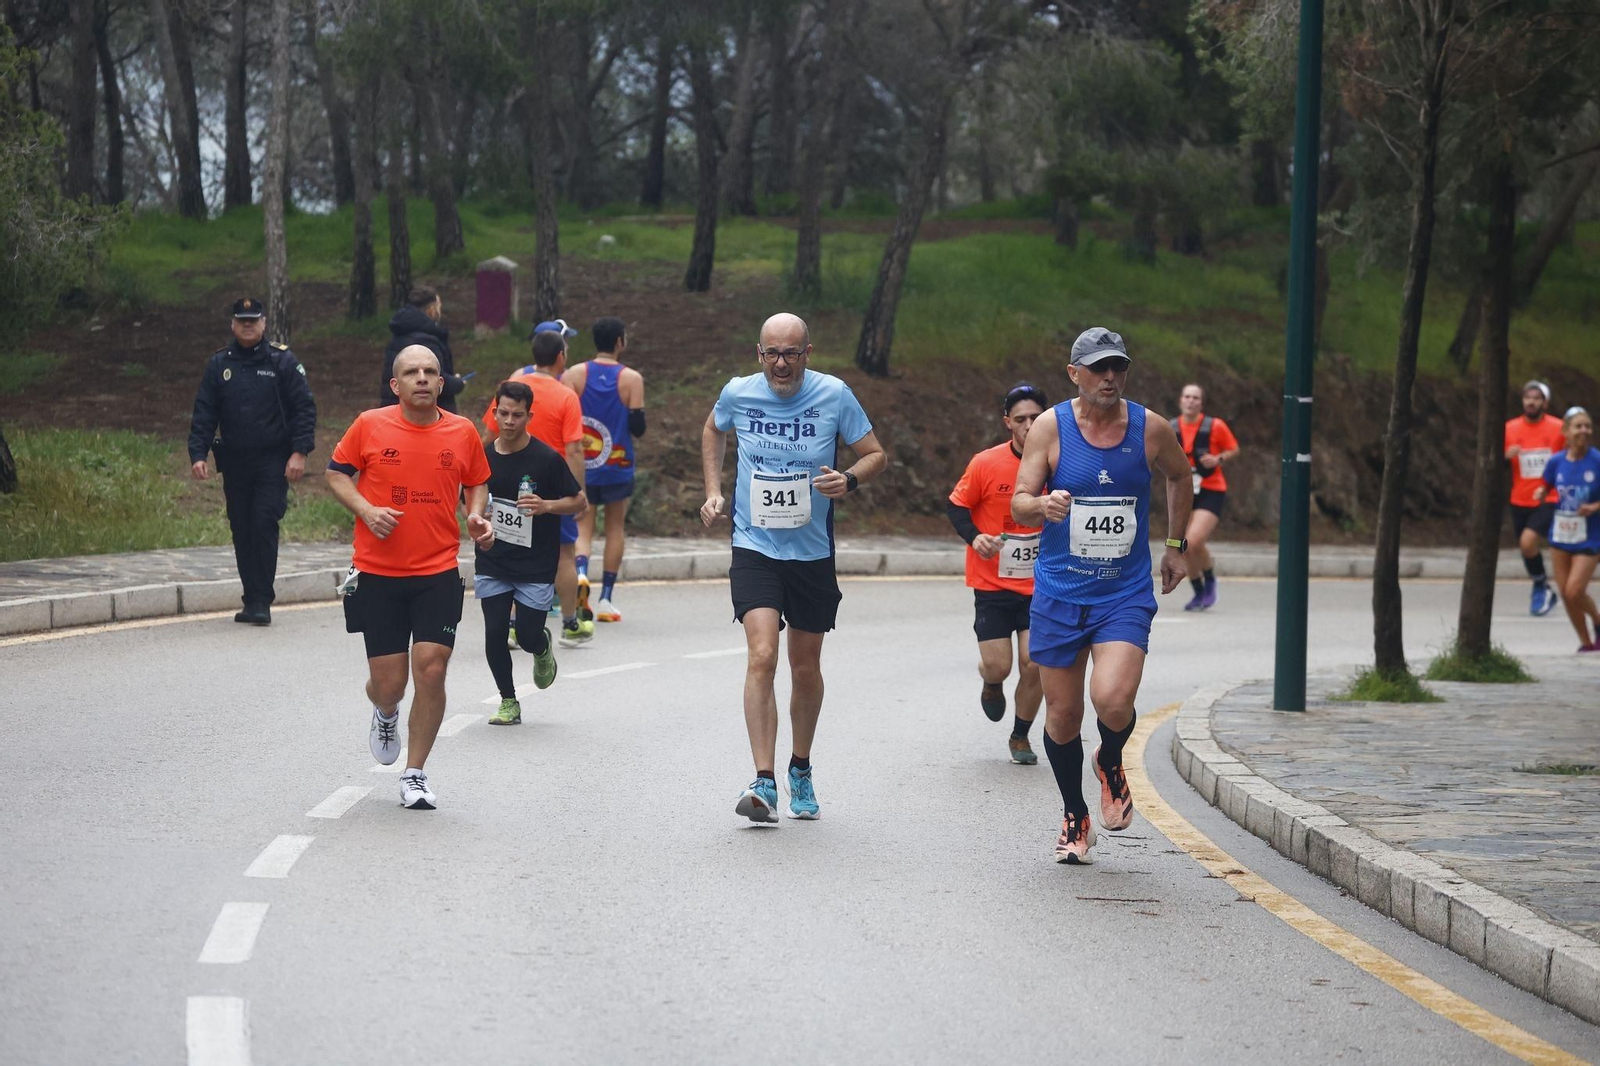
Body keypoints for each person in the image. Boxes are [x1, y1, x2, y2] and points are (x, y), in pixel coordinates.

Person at [1011, 327, 1191, 864]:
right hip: (1061, 591)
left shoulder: (1150, 428)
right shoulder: (1051, 426)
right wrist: (1041, 507)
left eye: (1118, 367)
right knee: (1062, 718)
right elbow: (1021, 500)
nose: (1109, 377)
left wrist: (1177, 545)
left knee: (1113, 701)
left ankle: (1110, 759)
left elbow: (1180, 478)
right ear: (1075, 374)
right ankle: (1075, 815)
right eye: (1098, 368)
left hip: (1124, 592)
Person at [700, 312, 886, 823]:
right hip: (754, 545)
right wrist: (714, 492)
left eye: (791, 354)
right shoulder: (738, 392)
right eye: (771, 354)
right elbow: (713, 430)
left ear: (808, 353)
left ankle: (799, 767)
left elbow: (875, 454)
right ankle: (764, 782)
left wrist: (848, 480)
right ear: (759, 354)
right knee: (762, 655)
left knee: (805, 669)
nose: (781, 364)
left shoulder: (834, 395)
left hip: (811, 554)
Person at [326, 345, 495, 810]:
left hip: (437, 570)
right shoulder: (369, 425)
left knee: (433, 668)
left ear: (441, 383)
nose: (422, 378)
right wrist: (365, 508)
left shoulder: (462, 432)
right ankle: (385, 711)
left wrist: (476, 517)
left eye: (430, 372)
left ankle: (415, 773)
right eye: (411, 372)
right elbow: (336, 473)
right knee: (391, 683)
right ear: (395, 385)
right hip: (378, 573)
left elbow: (477, 480)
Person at [187, 297, 317, 625]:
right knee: (241, 527)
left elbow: (304, 408)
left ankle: (262, 600)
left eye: (253, 320)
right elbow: (205, 410)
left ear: (263, 323)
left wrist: (299, 452)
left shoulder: (281, 361)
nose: (248, 325)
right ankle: (250, 599)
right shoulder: (220, 364)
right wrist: (198, 454)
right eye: (242, 320)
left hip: (272, 461)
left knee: (263, 523)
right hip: (235, 462)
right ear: (233, 324)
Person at [947, 383, 1048, 764]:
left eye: (1036, 418)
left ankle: (1020, 735)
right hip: (992, 582)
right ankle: (991, 682)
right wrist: (976, 539)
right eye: (1020, 418)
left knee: (1034, 661)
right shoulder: (986, 463)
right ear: (1007, 422)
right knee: (999, 664)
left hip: (1040, 584)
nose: (1028, 425)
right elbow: (956, 507)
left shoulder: (1060, 464)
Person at [478, 381, 586, 723]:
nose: (509, 421)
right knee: (495, 632)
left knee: (525, 634)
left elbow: (578, 501)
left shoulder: (546, 459)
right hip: (493, 557)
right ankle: (508, 701)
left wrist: (546, 505)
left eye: (517, 415)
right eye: (503, 413)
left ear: (529, 416)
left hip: (536, 562)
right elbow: (468, 495)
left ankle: (541, 646)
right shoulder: (483, 455)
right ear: (494, 412)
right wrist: (479, 517)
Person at [483, 323, 595, 648]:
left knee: (514, 547)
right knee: (564, 554)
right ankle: (571, 624)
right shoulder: (566, 395)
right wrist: (578, 494)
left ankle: (514, 625)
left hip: (509, 479)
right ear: (561, 358)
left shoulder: (512, 387)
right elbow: (574, 448)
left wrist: (478, 476)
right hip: (549, 484)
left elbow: (489, 433)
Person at [564, 316, 645, 623]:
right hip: (618, 464)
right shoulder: (632, 379)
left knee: (583, 526)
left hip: (582, 463)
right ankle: (606, 599)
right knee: (614, 528)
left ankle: (582, 574)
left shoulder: (574, 374)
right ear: (620, 342)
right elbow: (638, 428)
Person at [1171, 383, 1239, 611]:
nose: (1191, 401)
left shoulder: (1215, 426)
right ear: (1180, 400)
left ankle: (1209, 580)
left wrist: (1218, 458)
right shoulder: (1171, 427)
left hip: (1211, 488)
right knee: (1186, 546)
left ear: (1201, 403)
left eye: (1196, 398)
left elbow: (1233, 449)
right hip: (1184, 490)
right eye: (1187, 397)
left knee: (1193, 540)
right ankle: (1198, 591)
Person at [1505, 380, 1567, 616]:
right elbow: (1493, 464)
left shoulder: (1558, 428)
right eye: (1527, 397)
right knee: (1526, 548)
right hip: (1519, 498)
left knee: (1528, 542)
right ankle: (1541, 584)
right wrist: (1505, 456)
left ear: (1545, 403)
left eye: (1536, 398)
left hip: (1548, 497)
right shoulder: (1510, 428)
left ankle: (1541, 585)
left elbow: (1570, 458)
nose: (1530, 402)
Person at [1542, 406, 1600, 652]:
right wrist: (1541, 492)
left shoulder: (1597, 460)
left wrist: (1595, 506)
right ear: (1566, 431)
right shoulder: (1556, 461)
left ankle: (1598, 622)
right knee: (1565, 594)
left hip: (1590, 535)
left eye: (1587, 426)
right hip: (1561, 534)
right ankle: (1586, 643)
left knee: (1575, 590)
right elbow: (1546, 484)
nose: (1584, 431)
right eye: (1578, 426)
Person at [381, 287, 469, 414]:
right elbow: (433, 379)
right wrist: (457, 383)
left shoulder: (401, 332)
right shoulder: (426, 341)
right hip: (420, 414)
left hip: (394, 409)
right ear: (432, 310)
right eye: (439, 306)